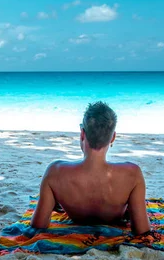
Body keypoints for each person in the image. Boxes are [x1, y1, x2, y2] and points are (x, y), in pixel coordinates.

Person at [31, 101, 151, 235]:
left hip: (77, 219)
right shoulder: (132, 173)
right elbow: (142, 230)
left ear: (82, 134)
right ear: (113, 138)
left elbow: (38, 225)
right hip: (114, 219)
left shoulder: (55, 171)